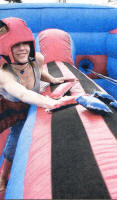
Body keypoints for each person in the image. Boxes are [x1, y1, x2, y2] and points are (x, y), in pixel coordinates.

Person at [0, 17, 78, 191]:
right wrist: (50, 101)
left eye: (25, 44)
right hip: (11, 106)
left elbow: (39, 72)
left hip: (30, 99)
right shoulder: (4, 74)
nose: (22, 49)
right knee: (13, 141)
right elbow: (22, 93)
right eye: (15, 45)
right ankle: (3, 175)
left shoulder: (37, 58)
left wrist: (53, 79)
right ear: (6, 48)